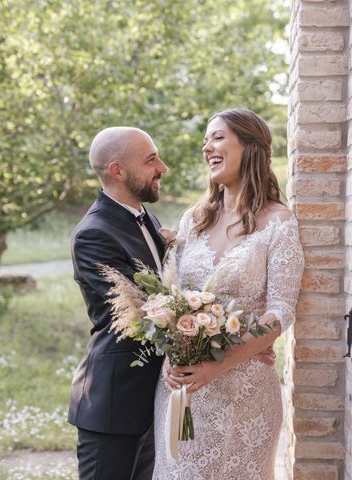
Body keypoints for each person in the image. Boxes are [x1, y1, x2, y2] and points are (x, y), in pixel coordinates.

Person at [153, 108, 304, 479]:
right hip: (181, 389)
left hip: (244, 391)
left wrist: (219, 363)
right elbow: (172, 297)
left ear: (250, 147)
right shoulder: (194, 219)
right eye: (206, 140)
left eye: (217, 137)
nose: (207, 147)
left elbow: (281, 310)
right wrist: (170, 356)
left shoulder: (278, 223)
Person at [67, 126, 168, 480]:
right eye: (151, 159)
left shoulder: (148, 219)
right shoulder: (94, 233)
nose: (163, 168)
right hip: (114, 404)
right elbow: (146, 310)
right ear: (117, 170)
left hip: (154, 399)